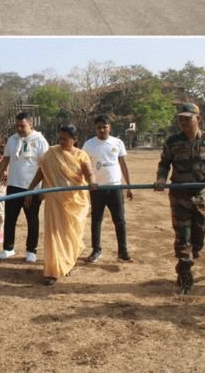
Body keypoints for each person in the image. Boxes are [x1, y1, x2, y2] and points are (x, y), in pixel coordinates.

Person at [155, 102, 205, 294]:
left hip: (201, 196)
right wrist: (160, 179)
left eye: (187, 118)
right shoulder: (172, 142)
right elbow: (164, 164)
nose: (183, 122)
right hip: (179, 196)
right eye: (180, 119)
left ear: (198, 119)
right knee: (182, 236)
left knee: (198, 238)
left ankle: (191, 255)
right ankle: (184, 273)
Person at [28, 124, 98, 285]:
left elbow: (88, 172)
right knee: (54, 235)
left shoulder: (82, 155)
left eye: (65, 139)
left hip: (75, 203)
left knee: (70, 236)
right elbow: (41, 170)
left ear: (75, 140)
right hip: (54, 202)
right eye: (60, 138)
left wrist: (92, 182)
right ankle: (52, 271)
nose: (62, 142)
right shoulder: (51, 153)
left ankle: (67, 263)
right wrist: (31, 188)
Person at [0, 112, 49, 263]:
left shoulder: (40, 141)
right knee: (10, 219)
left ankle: (31, 251)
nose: (19, 128)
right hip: (13, 186)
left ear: (31, 124)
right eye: (17, 125)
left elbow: (46, 166)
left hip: (32, 188)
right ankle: (8, 248)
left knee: (32, 220)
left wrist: (43, 189)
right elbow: (6, 159)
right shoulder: (12, 140)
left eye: (23, 125)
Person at [81, 115, 133, 263]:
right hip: (97, 188)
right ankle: (96, 250)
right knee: (96, 220)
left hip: (115, 187)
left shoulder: (117, 143)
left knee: (120, 220)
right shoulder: (89, 145)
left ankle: (123, 252)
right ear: (95, 128)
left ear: (110, 127)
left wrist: (128, 186)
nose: (102, 130)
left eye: (104, 127)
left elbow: (123, 165)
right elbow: (84, 166)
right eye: (99, 127)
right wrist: (87, 184)